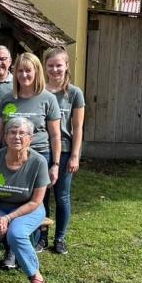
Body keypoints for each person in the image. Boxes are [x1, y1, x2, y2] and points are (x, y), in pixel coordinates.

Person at [0, 52, 61, 253]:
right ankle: (8, 246)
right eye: (20, 71)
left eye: (28, 70)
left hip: (38, 158)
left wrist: (55, 164)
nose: (24, 75)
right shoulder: (7, 99)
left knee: (34, 202)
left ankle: (27, 245)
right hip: (9, 158)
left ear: (37, 72)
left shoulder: (48, 99)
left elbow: (55, 135)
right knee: (8, 197)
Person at [0, 117, 50, 283]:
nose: (17, 136)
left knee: (16, 233)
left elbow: (36, 201)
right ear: (5, 136)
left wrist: (8, 219)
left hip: (28, 208)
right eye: (12, 132)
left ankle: (36, 277)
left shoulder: (39, 162)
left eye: (22, 133)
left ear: (30, 138)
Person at [43, 47, 84, 255]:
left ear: (66, 66)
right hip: (42, 151)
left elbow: (77, 127)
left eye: (59, 65)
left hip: (66, 151)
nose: (55, 69)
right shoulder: (39, 91)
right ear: (45, 67)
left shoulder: (74, 93)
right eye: (51, 65)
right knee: (41, 196)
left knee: (62, 196)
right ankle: (41, 236)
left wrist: (75, 155)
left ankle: (59, 238)